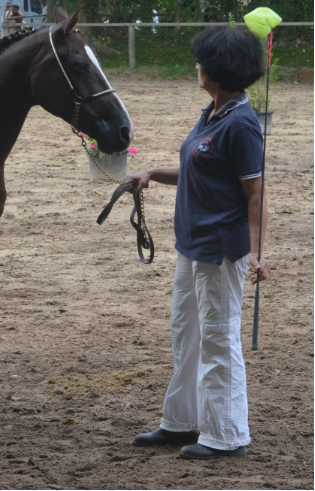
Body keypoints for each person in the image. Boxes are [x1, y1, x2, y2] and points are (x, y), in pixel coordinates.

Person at [129, 28, 269, 460]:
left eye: (201, 61)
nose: (197, 67)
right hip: (191, 245)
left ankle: (225, 434)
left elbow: (256, 194)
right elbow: (195, 170)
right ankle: (182, 421)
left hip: (221, 248)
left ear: (218, 71)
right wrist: (151, 172)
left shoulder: (242, 125)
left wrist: (259, 251)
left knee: (217, 337)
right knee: (186, 335)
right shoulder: (212, 111)